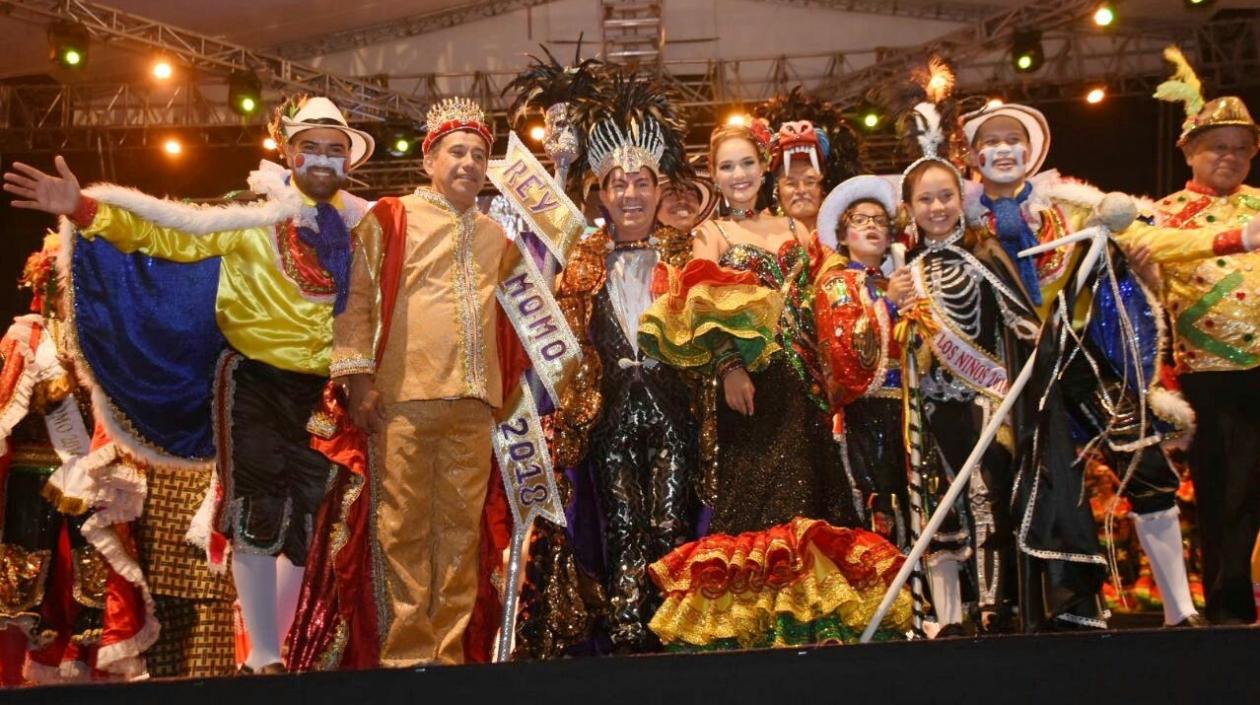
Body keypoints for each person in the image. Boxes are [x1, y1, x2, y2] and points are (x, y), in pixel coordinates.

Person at [3, 95, 375, 674]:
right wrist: (81, 208)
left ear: (349, 159)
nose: (323, 159)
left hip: (327, 392)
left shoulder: (365, 226)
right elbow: (169, 234)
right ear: (289, 152)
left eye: (335, 149)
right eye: (311, 147)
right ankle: (265, 658)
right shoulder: (250, 215)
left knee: (305, 517)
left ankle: (276, 653)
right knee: (256, 507)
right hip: (253, 379)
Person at [637, 121, 913, 650]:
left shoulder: (800, 230)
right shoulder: (711, 234)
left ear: (766, 170)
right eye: (726, 166)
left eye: (746, 164)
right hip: (752, 390)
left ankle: (813, 630)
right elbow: (699, 306)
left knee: (813, 501)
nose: (738, 175)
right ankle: (758, 638)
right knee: (758, 505)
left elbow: (831, 301)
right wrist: (729, 369)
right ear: (714, 175)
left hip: (805, 389)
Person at [961, 100, 1202, 628]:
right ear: (974, 155)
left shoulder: (1073, 207)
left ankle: (1180, 614)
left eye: (1012, 139)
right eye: (991, 142)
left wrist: (1142, 251)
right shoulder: (958, 223)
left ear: (1032, 149)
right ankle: (1068, 614)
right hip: (1009, 378)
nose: (1003, 150)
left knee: (1149, 468)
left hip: (1081, 361)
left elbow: (1146, 234)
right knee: (1043, 495)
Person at [290, 97, 507, 669]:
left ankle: (451, 653)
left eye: (479, 155)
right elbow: (355, 299)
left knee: (460, 536)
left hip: (475, 403)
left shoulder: (494, 236)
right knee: (403, 529)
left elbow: (524, 313)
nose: (468, 163)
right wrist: (358, 379)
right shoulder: (391, 215)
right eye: (456, 151)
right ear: (428, 159)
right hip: (404, 398)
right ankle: (407, 654)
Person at [889, 68, 1106, 634]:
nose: (936, 207)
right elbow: (905, 351)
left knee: (989, 503)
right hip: (936, 407)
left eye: (944, 196)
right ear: (908, 208)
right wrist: (897, 310)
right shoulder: (906, 271)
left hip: (988, 400)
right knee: (948, 512)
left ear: (959, 200)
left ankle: (995, 608)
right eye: (924, 200)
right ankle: (955, 614)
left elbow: (1021, 323)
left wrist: (1038, 344)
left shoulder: (983, 253)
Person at [549, 70, 699, 653]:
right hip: (610, 413)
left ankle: (673, 625)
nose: (631, 194)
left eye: (642, 183)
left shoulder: (687, 260)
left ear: (661, 191)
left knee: (670, 520)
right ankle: (627, 629)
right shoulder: (582, 264)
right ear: (602, 193)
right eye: (619, 184)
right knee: (621, 521)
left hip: (673, 411)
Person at [1115, 46, 1260, 624]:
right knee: (1227, 496)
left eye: (1241, 147)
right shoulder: (1165, 214)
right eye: (1217, 146)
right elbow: (1143, 251)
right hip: (1210, 377)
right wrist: (1233, 240)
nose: (1229, 157)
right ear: (1190, 151)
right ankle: (1228, 610)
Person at [0, 234, 155, 681]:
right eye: (70, 280)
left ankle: (86, 673)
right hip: (35, 478)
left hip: (92, 480)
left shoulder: (105, 340)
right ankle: (24, 676)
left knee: (93, 585)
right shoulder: (26, 336)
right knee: (29, 585)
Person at [814, 175, 912, 550]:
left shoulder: (900, 280)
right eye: (860, 219)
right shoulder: (837, 284)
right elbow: (844, 351)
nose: (871, 225)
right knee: (874, 504)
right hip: (863, 414)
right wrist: (887, 306)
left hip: (905, 409)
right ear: (842, 235)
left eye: (879, 220)